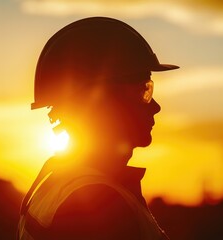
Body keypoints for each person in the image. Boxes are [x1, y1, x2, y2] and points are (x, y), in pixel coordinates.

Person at [17, 17, 179, 240]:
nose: (156, 107)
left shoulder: (57, 182)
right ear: (104, 104)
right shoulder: (101, 206)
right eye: (143, 91)